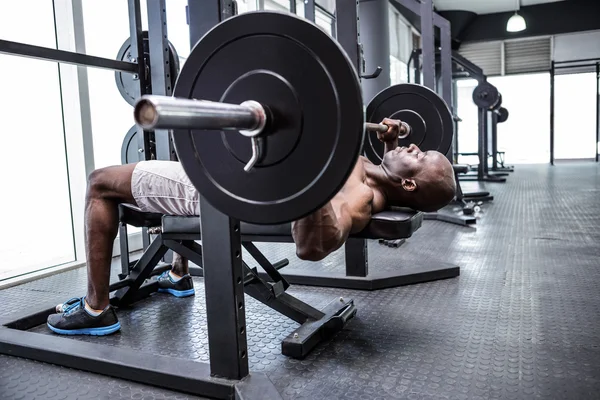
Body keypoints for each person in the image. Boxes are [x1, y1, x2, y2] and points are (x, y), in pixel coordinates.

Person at [47, 118, 456, 336]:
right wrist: (386, 145)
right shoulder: (374, 175)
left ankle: (96, 309)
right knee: (190, 151)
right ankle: (178, 274)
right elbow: (359, 169)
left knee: (100, 182)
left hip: (218, 192)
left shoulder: (360, 199)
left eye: (419, 154)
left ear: (407, 184)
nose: (412, 144)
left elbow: (314, 246)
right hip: (236, 178)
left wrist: (311, 167)